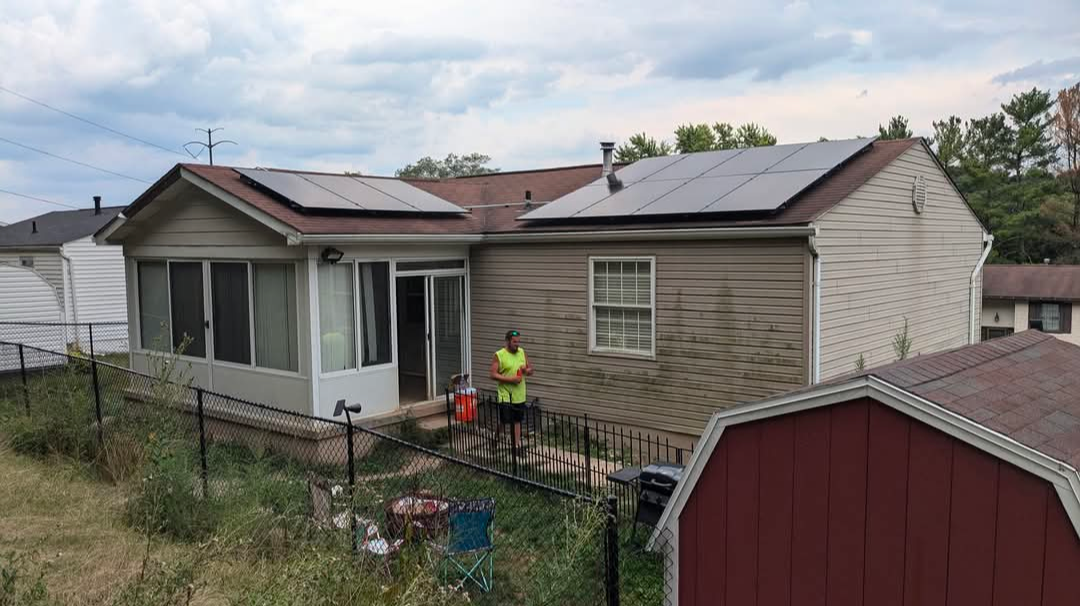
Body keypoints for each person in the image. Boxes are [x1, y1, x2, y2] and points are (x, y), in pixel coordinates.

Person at [490, 329, 533, 447]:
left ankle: (516, 446)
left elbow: (531, 370)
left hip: (519, 394)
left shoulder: (522, 352)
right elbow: (493, 374)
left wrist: (526, 371)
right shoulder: (499, 355)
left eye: (518, 342)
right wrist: (511, 380)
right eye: (514, 342)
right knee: (505, 420)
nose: (517, 344)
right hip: (505, 393)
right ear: (508, 341)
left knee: (517, 420)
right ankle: (496, 438)